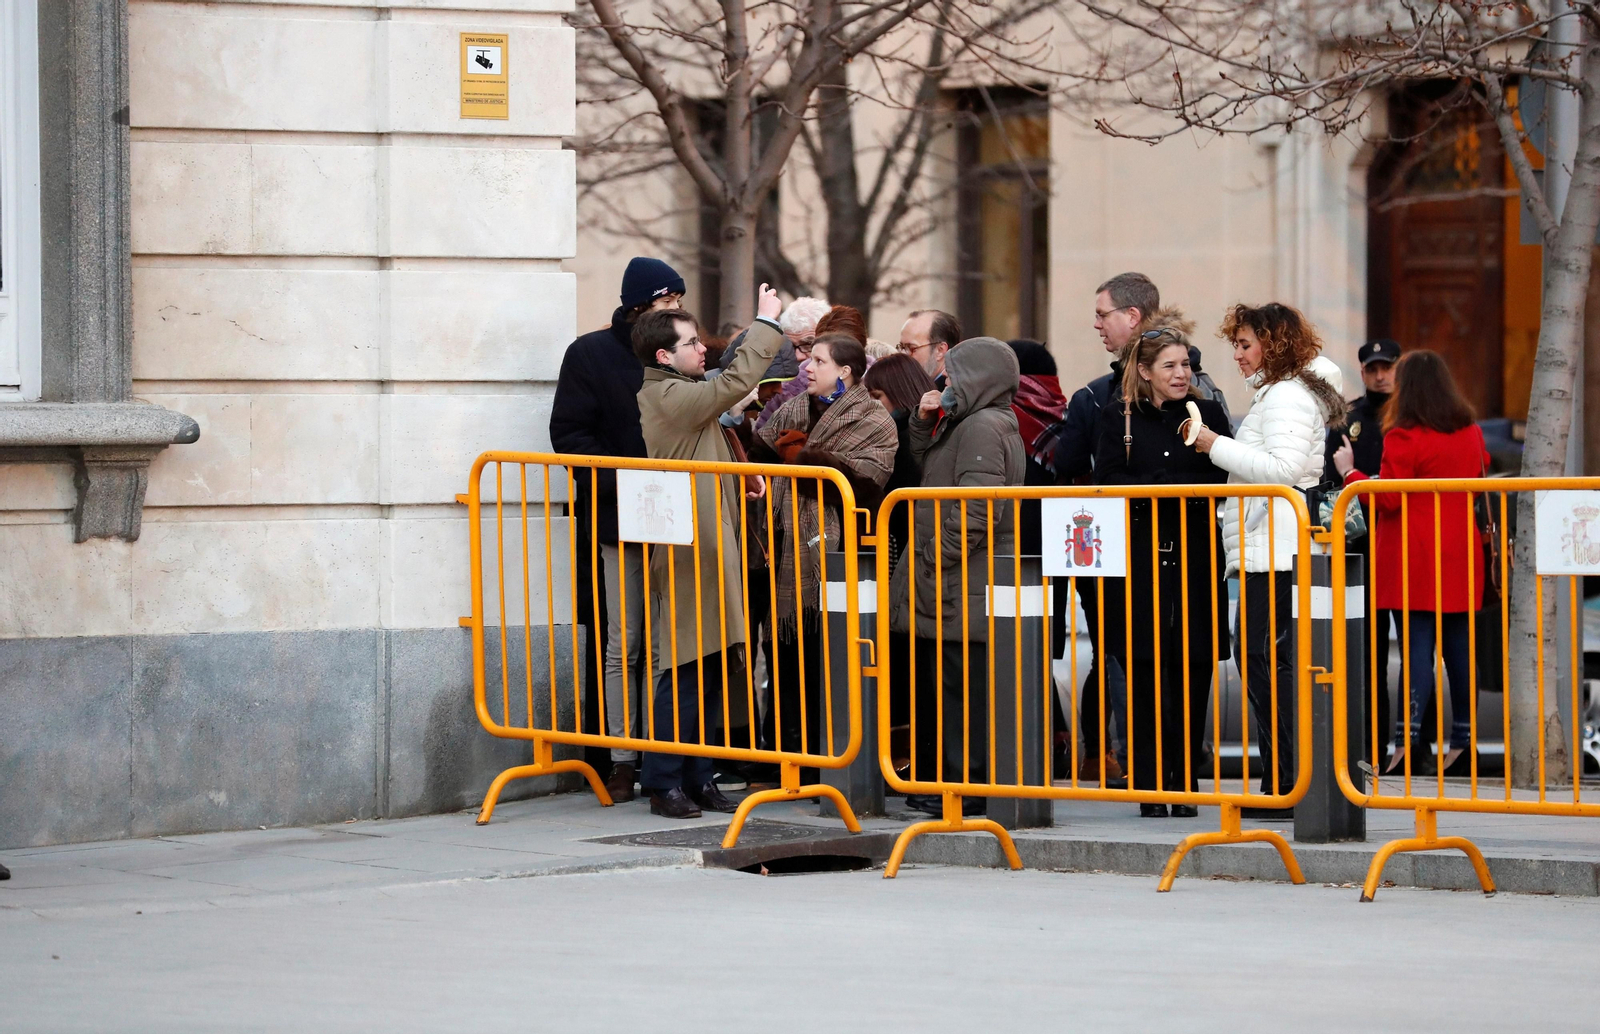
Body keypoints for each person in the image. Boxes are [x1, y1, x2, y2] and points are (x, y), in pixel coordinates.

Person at [633, 285, 785, 818]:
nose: (704, 350)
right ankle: (663, 782)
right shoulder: (668, 395)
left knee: (715, 664)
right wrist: (766, 323)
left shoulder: (681, 393)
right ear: (663, 356)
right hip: (688, 548)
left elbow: (711, 445)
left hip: (710, 541)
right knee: (685, 669)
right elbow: (737, 382)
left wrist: (741, 479)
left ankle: (699, 777)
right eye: (692, 343)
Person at [1191, 302, 1345, 818]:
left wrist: (1214, 445)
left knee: (1265, 660)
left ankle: (1286, 784)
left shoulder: (1284, 396)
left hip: (1278, 552)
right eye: (1234, 344)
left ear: (1273, 346)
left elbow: (1281, 470)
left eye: (1245, 344)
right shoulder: (1280, 394)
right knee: (1265, 660)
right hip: (1271, 549)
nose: (1236, 354)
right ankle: (1283, 782)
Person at [548, 256, 686, 802]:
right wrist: (624, 480)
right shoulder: (589, 354)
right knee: (622, 642)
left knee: (667, 644)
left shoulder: (682, 347)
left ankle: (665, 756)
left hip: (676, 515)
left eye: (679, 300)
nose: (676, 309)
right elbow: (570, 433)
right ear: (638, 305)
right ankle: (623, 757)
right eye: (666, 300)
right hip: (618, 515)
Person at [1093, 327, 1231, 817]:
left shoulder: (1208, 414)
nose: (1181, 374)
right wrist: (1163, 484)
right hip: (1142, 557)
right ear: (1145, 371)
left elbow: (1222, 473)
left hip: (1195, 553)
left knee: (1193, 667)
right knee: (1145, 666)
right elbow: (1106, 478)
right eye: (1169, 366)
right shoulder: (1120, 416)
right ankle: (1151, 782)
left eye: (1186, 365)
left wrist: (1178, 484)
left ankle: (1186, 779)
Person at [1332, 349, 1488, 776]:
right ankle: (1464, 743)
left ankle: (1408, 743)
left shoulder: (1404, 434)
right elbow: (1479, 475)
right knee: (1460, 650)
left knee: (1417, 650)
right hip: (1461, 552)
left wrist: (1350, 473)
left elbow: (1385, 498)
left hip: (1414, 553)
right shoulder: (1470, 431)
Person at [890, 338, 1026, 817]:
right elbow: (925, 456)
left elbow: (977, 509)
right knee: (951, 686)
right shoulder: (972, 421)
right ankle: (952, 782)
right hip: (953, 576)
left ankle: (964, 785)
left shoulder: (985, 426)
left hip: (960, 577)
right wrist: (924, 418)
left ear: (980, 379)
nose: (945, 381)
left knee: (961, 689)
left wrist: (935, 554)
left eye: (955, 373)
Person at [750, 333, 898, 774]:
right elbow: (761, 452)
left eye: (817, 360)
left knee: (830, 660)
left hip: (840, 557)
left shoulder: (873, 418)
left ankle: (833, 757)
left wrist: (807, 458)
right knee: (787, 656)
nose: (806, 368)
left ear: (845, 371)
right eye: (808, 359)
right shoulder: (792, 410)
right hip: (786, 555)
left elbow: (867, 484)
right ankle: (790, 755)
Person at [1054, 272, 1162, 785]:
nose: (1095, 324)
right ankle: (1147, 759)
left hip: (1117, 541)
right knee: (1139, 652)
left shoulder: (1098, 397)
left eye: (1103, 314)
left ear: (1133, 316)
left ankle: (1118, 757)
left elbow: (1067, 460)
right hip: (1165, 544)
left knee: (1116, 650)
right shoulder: (1198, 384)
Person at [1324, 337, 1403, 768]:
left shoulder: (1412, 415)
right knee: (1368, 654)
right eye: (1372, 368)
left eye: (1386, 367)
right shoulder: (1348, 418)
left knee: (1414, 654)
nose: (1379, 375)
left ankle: (1417, 750)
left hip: (1406, 548)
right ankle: (1372, 747)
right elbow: (1330, 482)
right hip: (1362, 548)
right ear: (1362, 371)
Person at [862, 353, 937, 774]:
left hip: (906, 563)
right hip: (910, 562)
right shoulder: (917, 431)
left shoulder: (902, 436)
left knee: (905, 665)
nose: (872, 405)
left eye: (876, 395)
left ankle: (904, 758)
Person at [897, 309, 961, 385]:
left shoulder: (953, 393)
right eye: (902, 347)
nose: (903, 355)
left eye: (912, 348)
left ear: (940, 350)